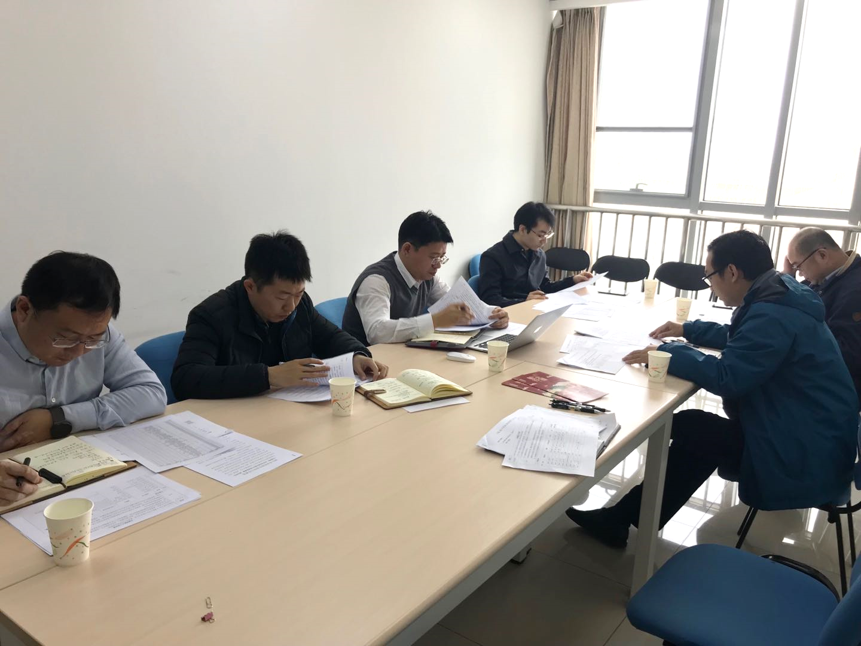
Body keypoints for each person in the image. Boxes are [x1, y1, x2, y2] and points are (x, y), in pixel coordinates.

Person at [565, 230, 858, 548]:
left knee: (695, 431)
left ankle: (621, 518)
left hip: (804, 452)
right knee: (696, 430)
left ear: (731, 272)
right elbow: (746, 337)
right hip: (810, 432)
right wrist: (689, 329)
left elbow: (727, 377)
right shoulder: (779, 292)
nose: (711, 287)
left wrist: (670, 352)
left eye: (709, 277)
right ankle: (624, 518)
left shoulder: (773, 312)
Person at [172, 231, 387, 401]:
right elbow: (185, 379)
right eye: (281, 296)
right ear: (250, 287)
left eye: (298, 294)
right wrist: (269, 376)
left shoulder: (300, 304)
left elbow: (329, 337)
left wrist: (357, 355)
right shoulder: (211, 316)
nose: (291, 306)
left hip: (286, 412)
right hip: (235, 420)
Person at [0, 252, 167, 456]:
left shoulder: (97, 334)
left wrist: (59, 419)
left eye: (93, 339)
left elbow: (151, 394)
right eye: (65, 337)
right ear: (25, 309)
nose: (79, 352)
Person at [342, 211, 509, 346]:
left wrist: (492, 313)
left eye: (442, 257)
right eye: (434, 257)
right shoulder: (376, 280)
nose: (438, 265)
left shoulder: (427, 278)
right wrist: (435, 320)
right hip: (367, 365)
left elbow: (461, 305)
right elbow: (377, 332)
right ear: (407, 249)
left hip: (403, 355)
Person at [784, 227, 861, 401]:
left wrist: (793, 341)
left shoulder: (855, 290)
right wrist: (787, 278)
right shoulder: (825, 280)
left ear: (822, 255)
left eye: (798, 266)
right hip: (818, 378)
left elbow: (849, 353)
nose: (800, 273)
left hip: (836, 389)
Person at [478, 202, 592, 307]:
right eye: (540, 235)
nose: (544, 241)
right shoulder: (493, 257)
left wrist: (572, 281)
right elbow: (490, 300)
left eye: (547, 235)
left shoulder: (539, 254)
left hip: (535, 310)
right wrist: (524, 301)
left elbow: (545, 287)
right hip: (509, 316)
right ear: (523, 229)